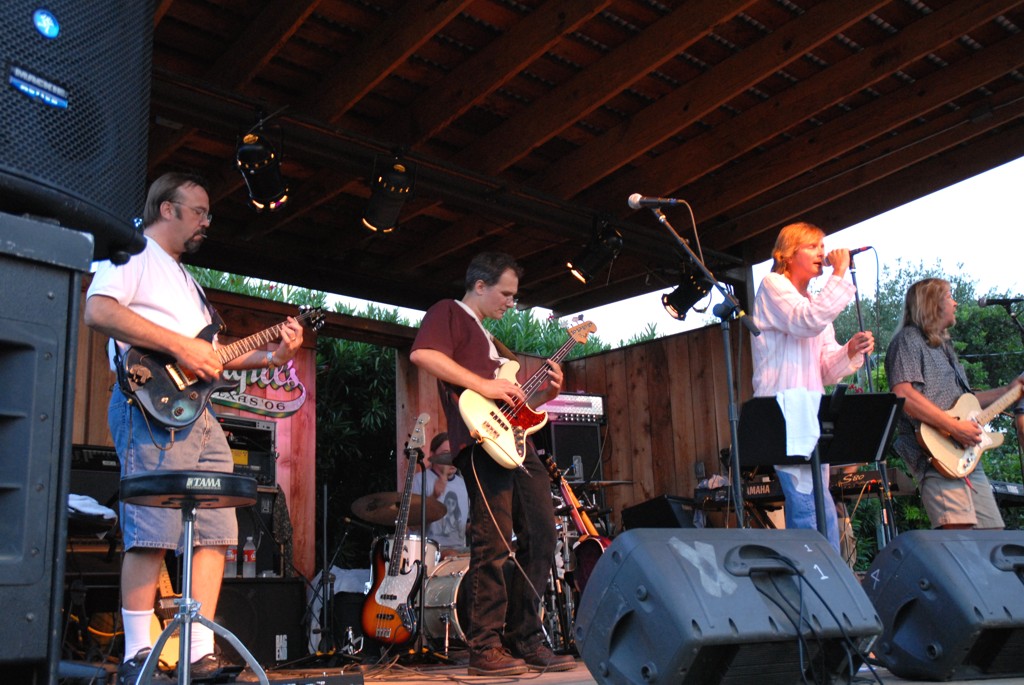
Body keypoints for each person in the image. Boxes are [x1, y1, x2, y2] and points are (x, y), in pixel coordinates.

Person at [84, 172, 305, 684]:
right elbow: (98, 310)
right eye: (199, 211)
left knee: (216, 531)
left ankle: (199, 653)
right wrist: (181, 345)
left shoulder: (188, 282)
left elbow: (213, 356)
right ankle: (138, 655)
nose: (207, 221)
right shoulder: (132, 253)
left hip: (198, 414)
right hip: (149, 408)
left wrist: (272, 357)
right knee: (152, 530)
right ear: (167, 208)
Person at [409, 251, 575, 676]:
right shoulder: (449, 312)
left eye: (514, 296)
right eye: (506, 294)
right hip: (481, 441)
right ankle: (484, 646)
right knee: (494, 539)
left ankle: (526, 636)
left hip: (517, 442)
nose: (511, 303)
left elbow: (513, 404)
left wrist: (545, 395)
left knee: (542, 532)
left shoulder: (494, 343)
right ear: (479, 285)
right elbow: (423, 355)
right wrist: (484, 384)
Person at [750, 222, 874, 551]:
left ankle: (821, 575)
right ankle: (817, 575)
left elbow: (825, 369)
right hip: (784, 411)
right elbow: (805, 320)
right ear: (788, 255)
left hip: (810, 415)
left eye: (823, 246)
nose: (823, 252)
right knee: (809, 509)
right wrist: (840, 272)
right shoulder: (773, 285)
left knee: (820, 508)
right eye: (813, 246)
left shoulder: (813, 303)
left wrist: (850, 350)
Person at [885, 277, 1023, 529]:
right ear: (931, 304)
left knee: (993, 536)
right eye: (950, 296)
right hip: (935, 455)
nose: (956, 303)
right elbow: (903, 394)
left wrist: (1009, 391)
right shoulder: (908, 340)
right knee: (960, 537)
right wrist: (955, 427)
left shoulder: (944, 347)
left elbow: (967, 404)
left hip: (966, 457)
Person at [410, 431, 469, 556]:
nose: (451, 459)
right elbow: (413, 526)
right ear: (432, 455)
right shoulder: (420, 480)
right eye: (445, 453)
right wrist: (434, 497)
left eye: (454, 453)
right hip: (431, 551)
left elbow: (466, 524)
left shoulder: (464, 483)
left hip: (460, 551)